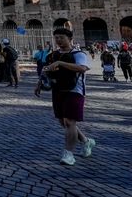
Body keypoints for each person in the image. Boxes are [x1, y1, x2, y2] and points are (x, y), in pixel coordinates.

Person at [34, 28, 95, 166]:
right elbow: (46, 70)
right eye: (56, 38)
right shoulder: (52, 55)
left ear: (70, 39)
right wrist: (39, 83)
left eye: (61, 37)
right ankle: (86, 141)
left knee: (69, 121)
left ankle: (68, 154)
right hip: (58, 90)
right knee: (63, 122)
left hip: (75, 90)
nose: (59, 40)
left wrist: (60, 63)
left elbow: (82, 68)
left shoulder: (78, 54)